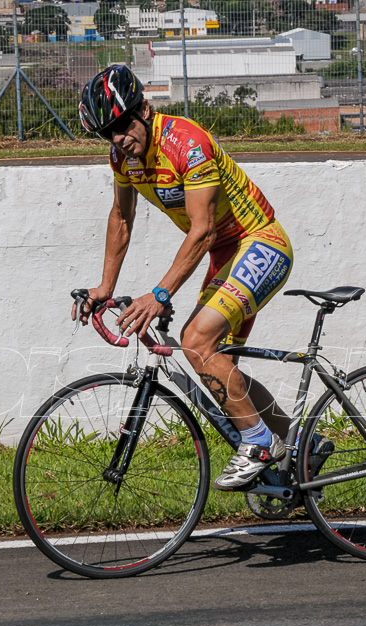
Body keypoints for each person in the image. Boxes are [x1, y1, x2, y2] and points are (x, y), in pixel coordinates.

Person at [74, 65, 293, 491]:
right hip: (224, 255)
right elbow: (122, 217)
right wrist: (105, 287)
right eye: (107, 133)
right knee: (216, 363)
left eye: (121, 125)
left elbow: (203, 229)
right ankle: (301, 444)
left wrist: (159, 293)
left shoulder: (186, 143)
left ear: (144, 108)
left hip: (260, 241)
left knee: (195, 342)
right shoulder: (123, 157)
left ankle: (259, 443)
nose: (118, 138)